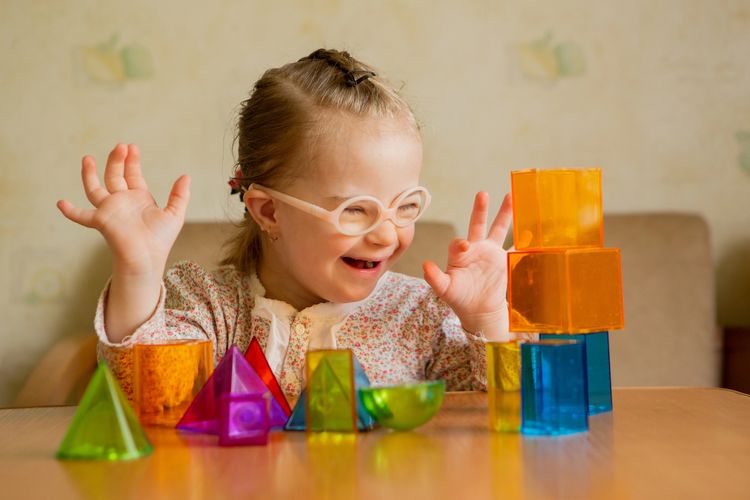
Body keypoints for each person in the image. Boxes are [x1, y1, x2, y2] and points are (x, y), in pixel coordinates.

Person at [57, 48, 514, 403]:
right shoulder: (207, 309)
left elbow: (502, 417)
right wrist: (137, 271)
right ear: (269, 212)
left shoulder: (420, 314)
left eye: (405, 205)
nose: (387, 235)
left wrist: (488, 320)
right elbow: (145, 395)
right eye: (356, 209)